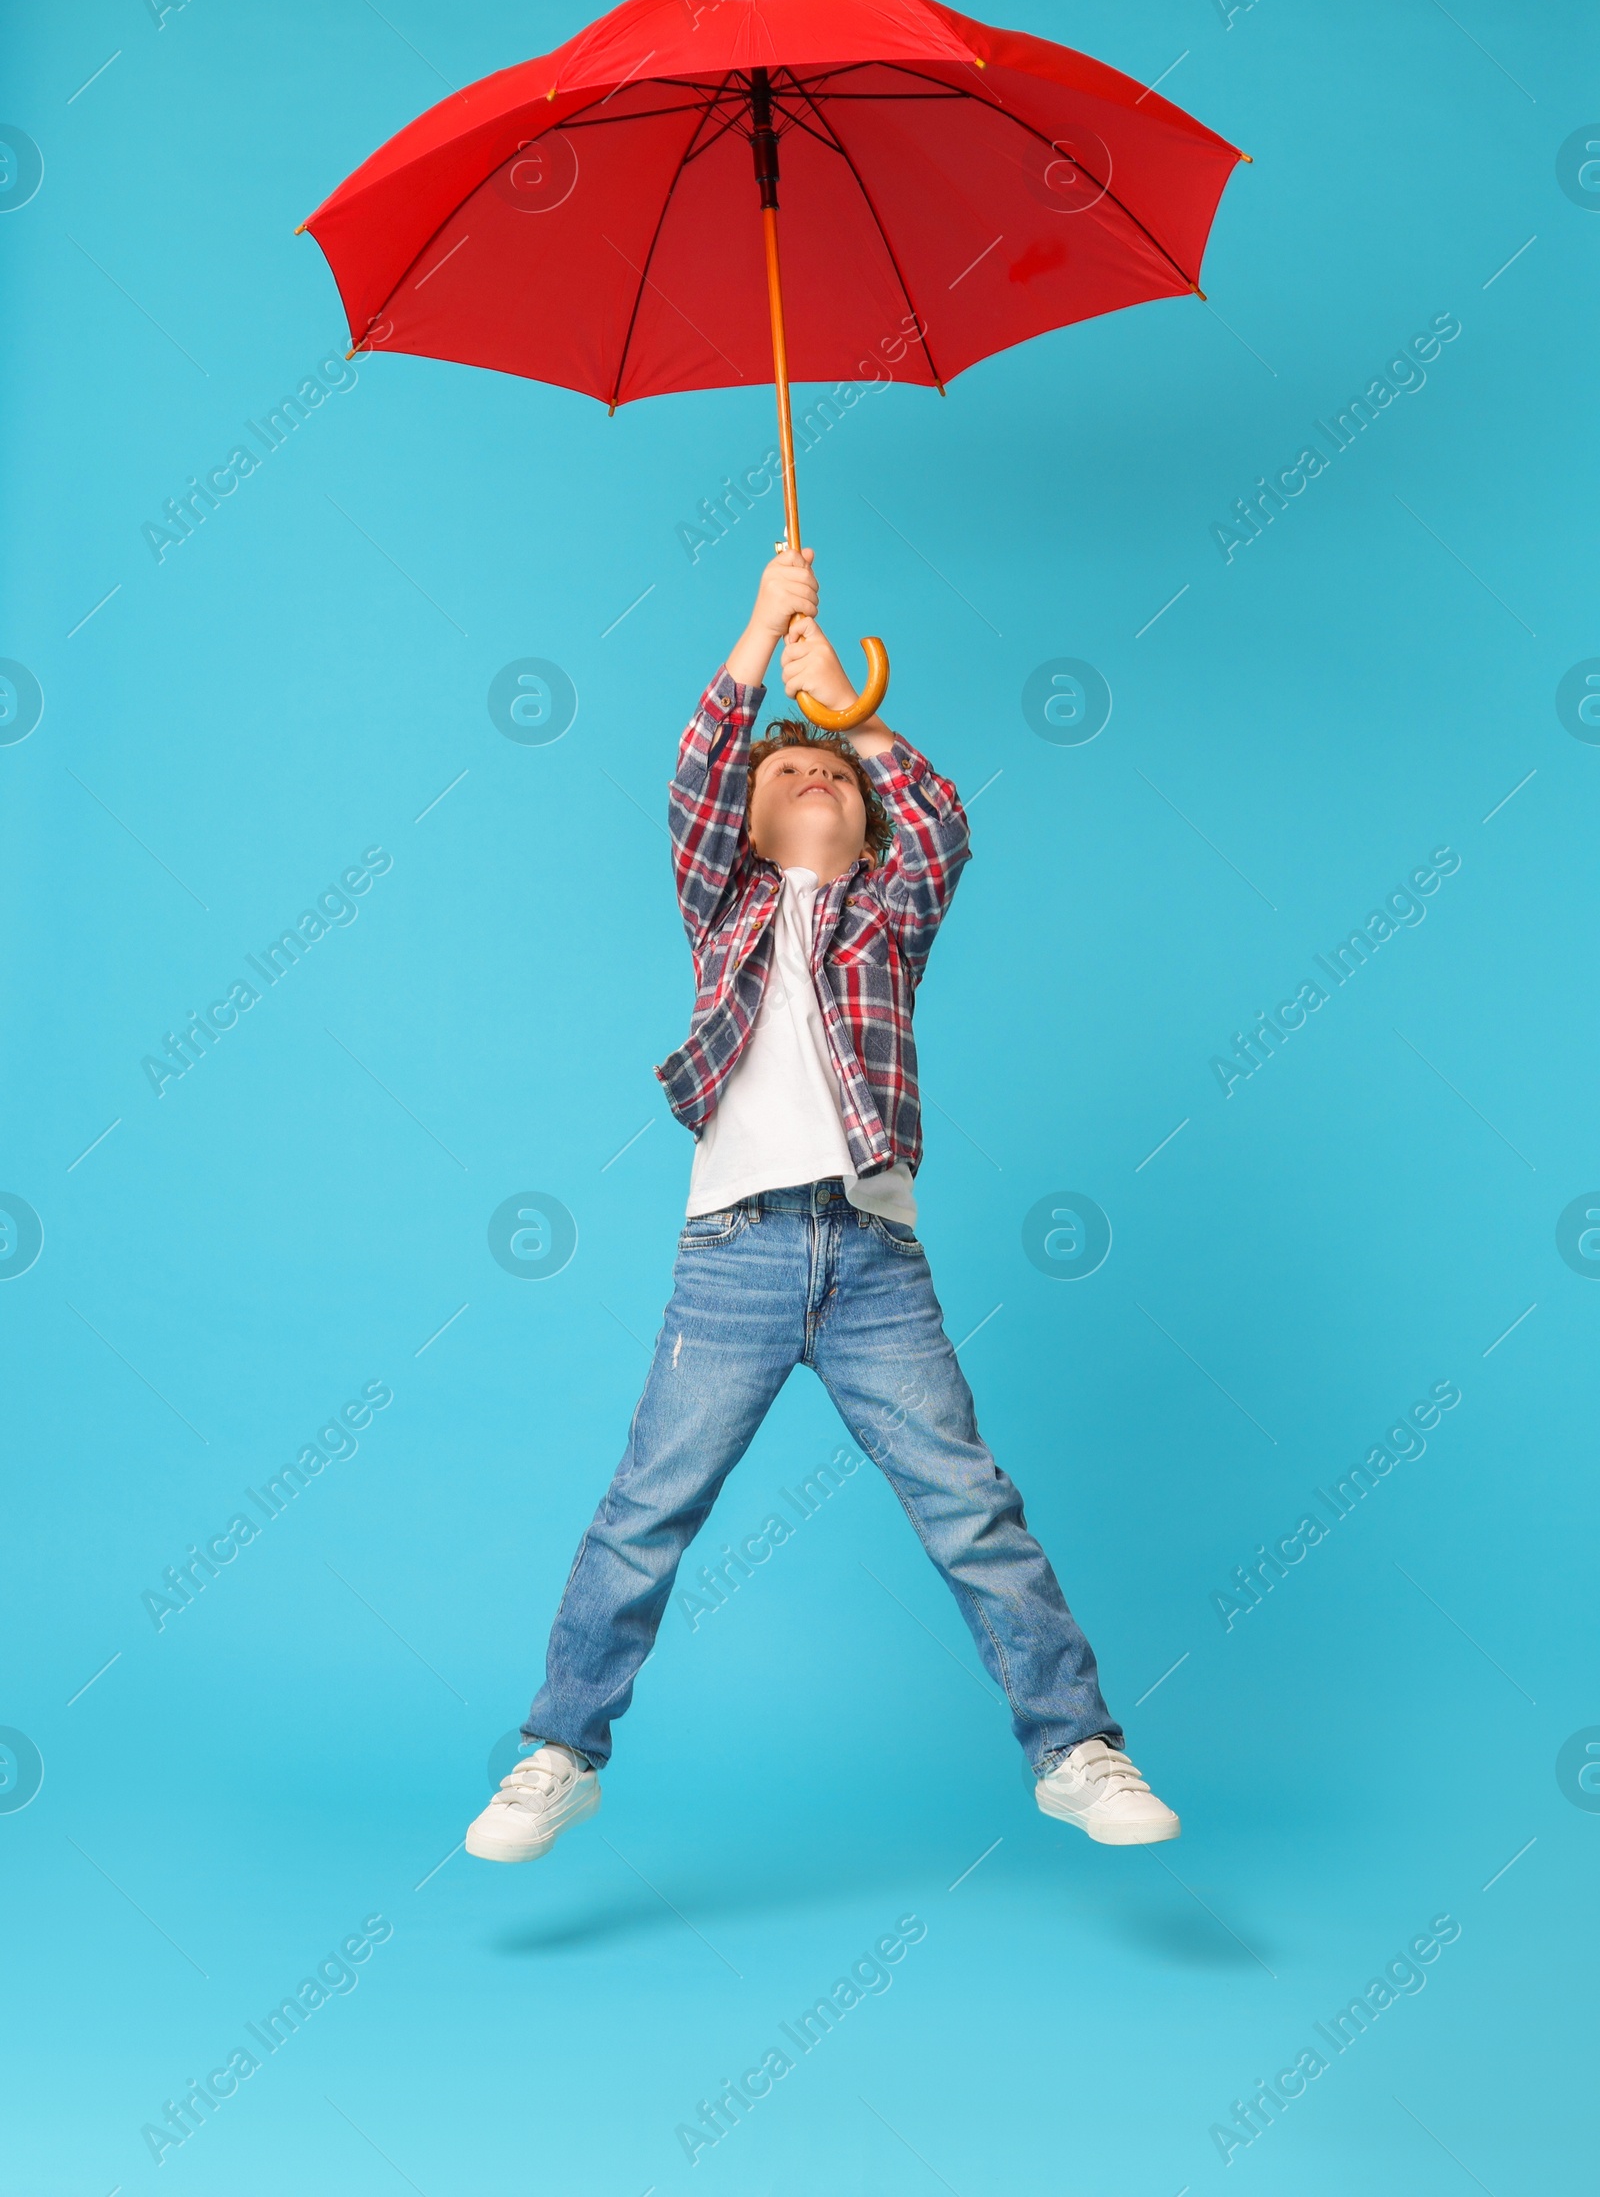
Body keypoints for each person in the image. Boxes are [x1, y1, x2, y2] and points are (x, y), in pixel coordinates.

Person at [466, 548, 1178, 1862]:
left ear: (864, 821)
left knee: (969, 1504)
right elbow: (694, 774)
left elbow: (943, 811)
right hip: (733, 1254)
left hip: (872, 1260)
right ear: (745, 824)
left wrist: (850, 710)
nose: (808, 776)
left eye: (833, 777)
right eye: (783, 771)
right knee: (646, 1507)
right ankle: (558, 1752)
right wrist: (755, 635)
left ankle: (1075, 1747)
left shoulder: (890, 913)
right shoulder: (723, 905)